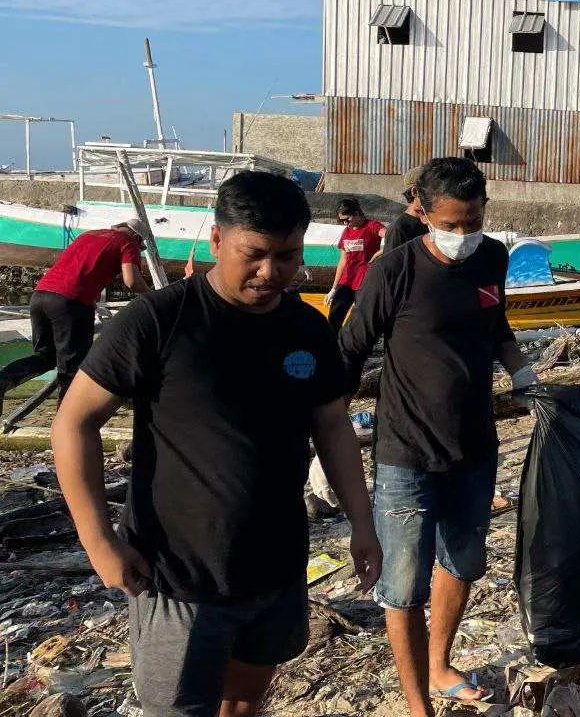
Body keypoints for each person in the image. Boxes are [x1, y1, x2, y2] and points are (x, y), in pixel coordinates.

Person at [50, 171, 381, 717]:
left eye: (287, 256)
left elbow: (332, 426)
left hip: (276, 563)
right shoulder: (158, 320)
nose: (271, 272)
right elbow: (73, 423)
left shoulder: (308, 328)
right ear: (217, 240)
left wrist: (363, 524)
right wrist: (99, 541)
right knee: (178, 708)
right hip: (179, 573)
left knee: (245, 700)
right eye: (255, 254)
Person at [339, 157, 536, 713]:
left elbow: (495, 324)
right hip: (405, 452)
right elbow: (350, 351)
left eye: (473, 221)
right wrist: (327, 434)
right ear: (422, 213)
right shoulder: (393, 271)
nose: (463, 235)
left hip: (474, 446)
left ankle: (439, 663)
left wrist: (521, 371)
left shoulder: (491, 257)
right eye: (451, 225)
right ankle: (415, 702)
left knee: (463, 561)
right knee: (403, 584)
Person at [0, 220, 151, 405]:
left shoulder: (88, 235)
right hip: (71, 302)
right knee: (73, 369)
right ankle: (65, 418)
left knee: (45, 357)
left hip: (40, 296)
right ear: (137, 237)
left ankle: (3, 380)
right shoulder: (128, 241)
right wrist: (154, 297)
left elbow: (79, 270)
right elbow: (132, 281)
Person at [324, 198, 386, 330]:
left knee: (360, 322)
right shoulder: (346, 231)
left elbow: (393, 236)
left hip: (365, 282)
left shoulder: (372, 226)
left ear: (357, 213)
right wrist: (333, 288)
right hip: (346, 282)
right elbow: (343, 261)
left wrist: (378, 253)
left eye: (347, 219)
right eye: (341, 220)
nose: (345, 223)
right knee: (334, 318)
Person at [379, 166, 431, 255]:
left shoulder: (432, 222)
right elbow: (393, 261)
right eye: (431, 191)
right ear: (415, 192)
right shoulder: (399, 228)